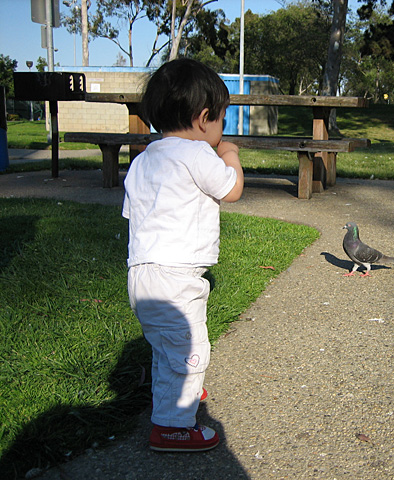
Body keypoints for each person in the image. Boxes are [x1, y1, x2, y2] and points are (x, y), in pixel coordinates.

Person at [122, 58, 244, 452]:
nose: (222, 131)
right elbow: (232, 190)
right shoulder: (197, 154)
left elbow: (133, 212)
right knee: (190, 347)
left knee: (166, 348)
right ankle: (172, 427)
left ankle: (178, 390)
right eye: (221, 121)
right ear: (203, 118)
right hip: (176, 277)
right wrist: (232, 155)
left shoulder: (142, 159)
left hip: (141, 275)